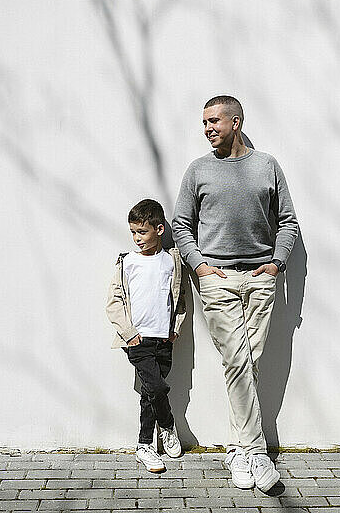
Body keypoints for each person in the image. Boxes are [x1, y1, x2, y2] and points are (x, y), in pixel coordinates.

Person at [172, 95, 298, 491]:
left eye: (214, 121)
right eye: (204, 122)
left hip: (261, 277)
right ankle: (256, 451)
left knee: (247, 363)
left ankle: (237, 450)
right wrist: (201, 267)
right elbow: (180, 224)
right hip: (217, 279)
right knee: (238, 361)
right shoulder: (199, 170)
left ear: (236, 122)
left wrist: (276, 263)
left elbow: (288, 222)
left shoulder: (266, 166)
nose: (207, 128)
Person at [106, 199, 186, 472]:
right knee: (157, 387)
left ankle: (145, 445)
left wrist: (175, 329)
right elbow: (114, 301)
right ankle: (166, 425)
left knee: (149, 394)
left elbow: (180, 298)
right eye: (133, 233)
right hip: (137, 339)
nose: (136, 238)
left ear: (160, 229)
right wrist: (129, 334)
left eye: (142, 232)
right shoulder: (127, 262)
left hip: (163, 338)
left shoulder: (171, 261)